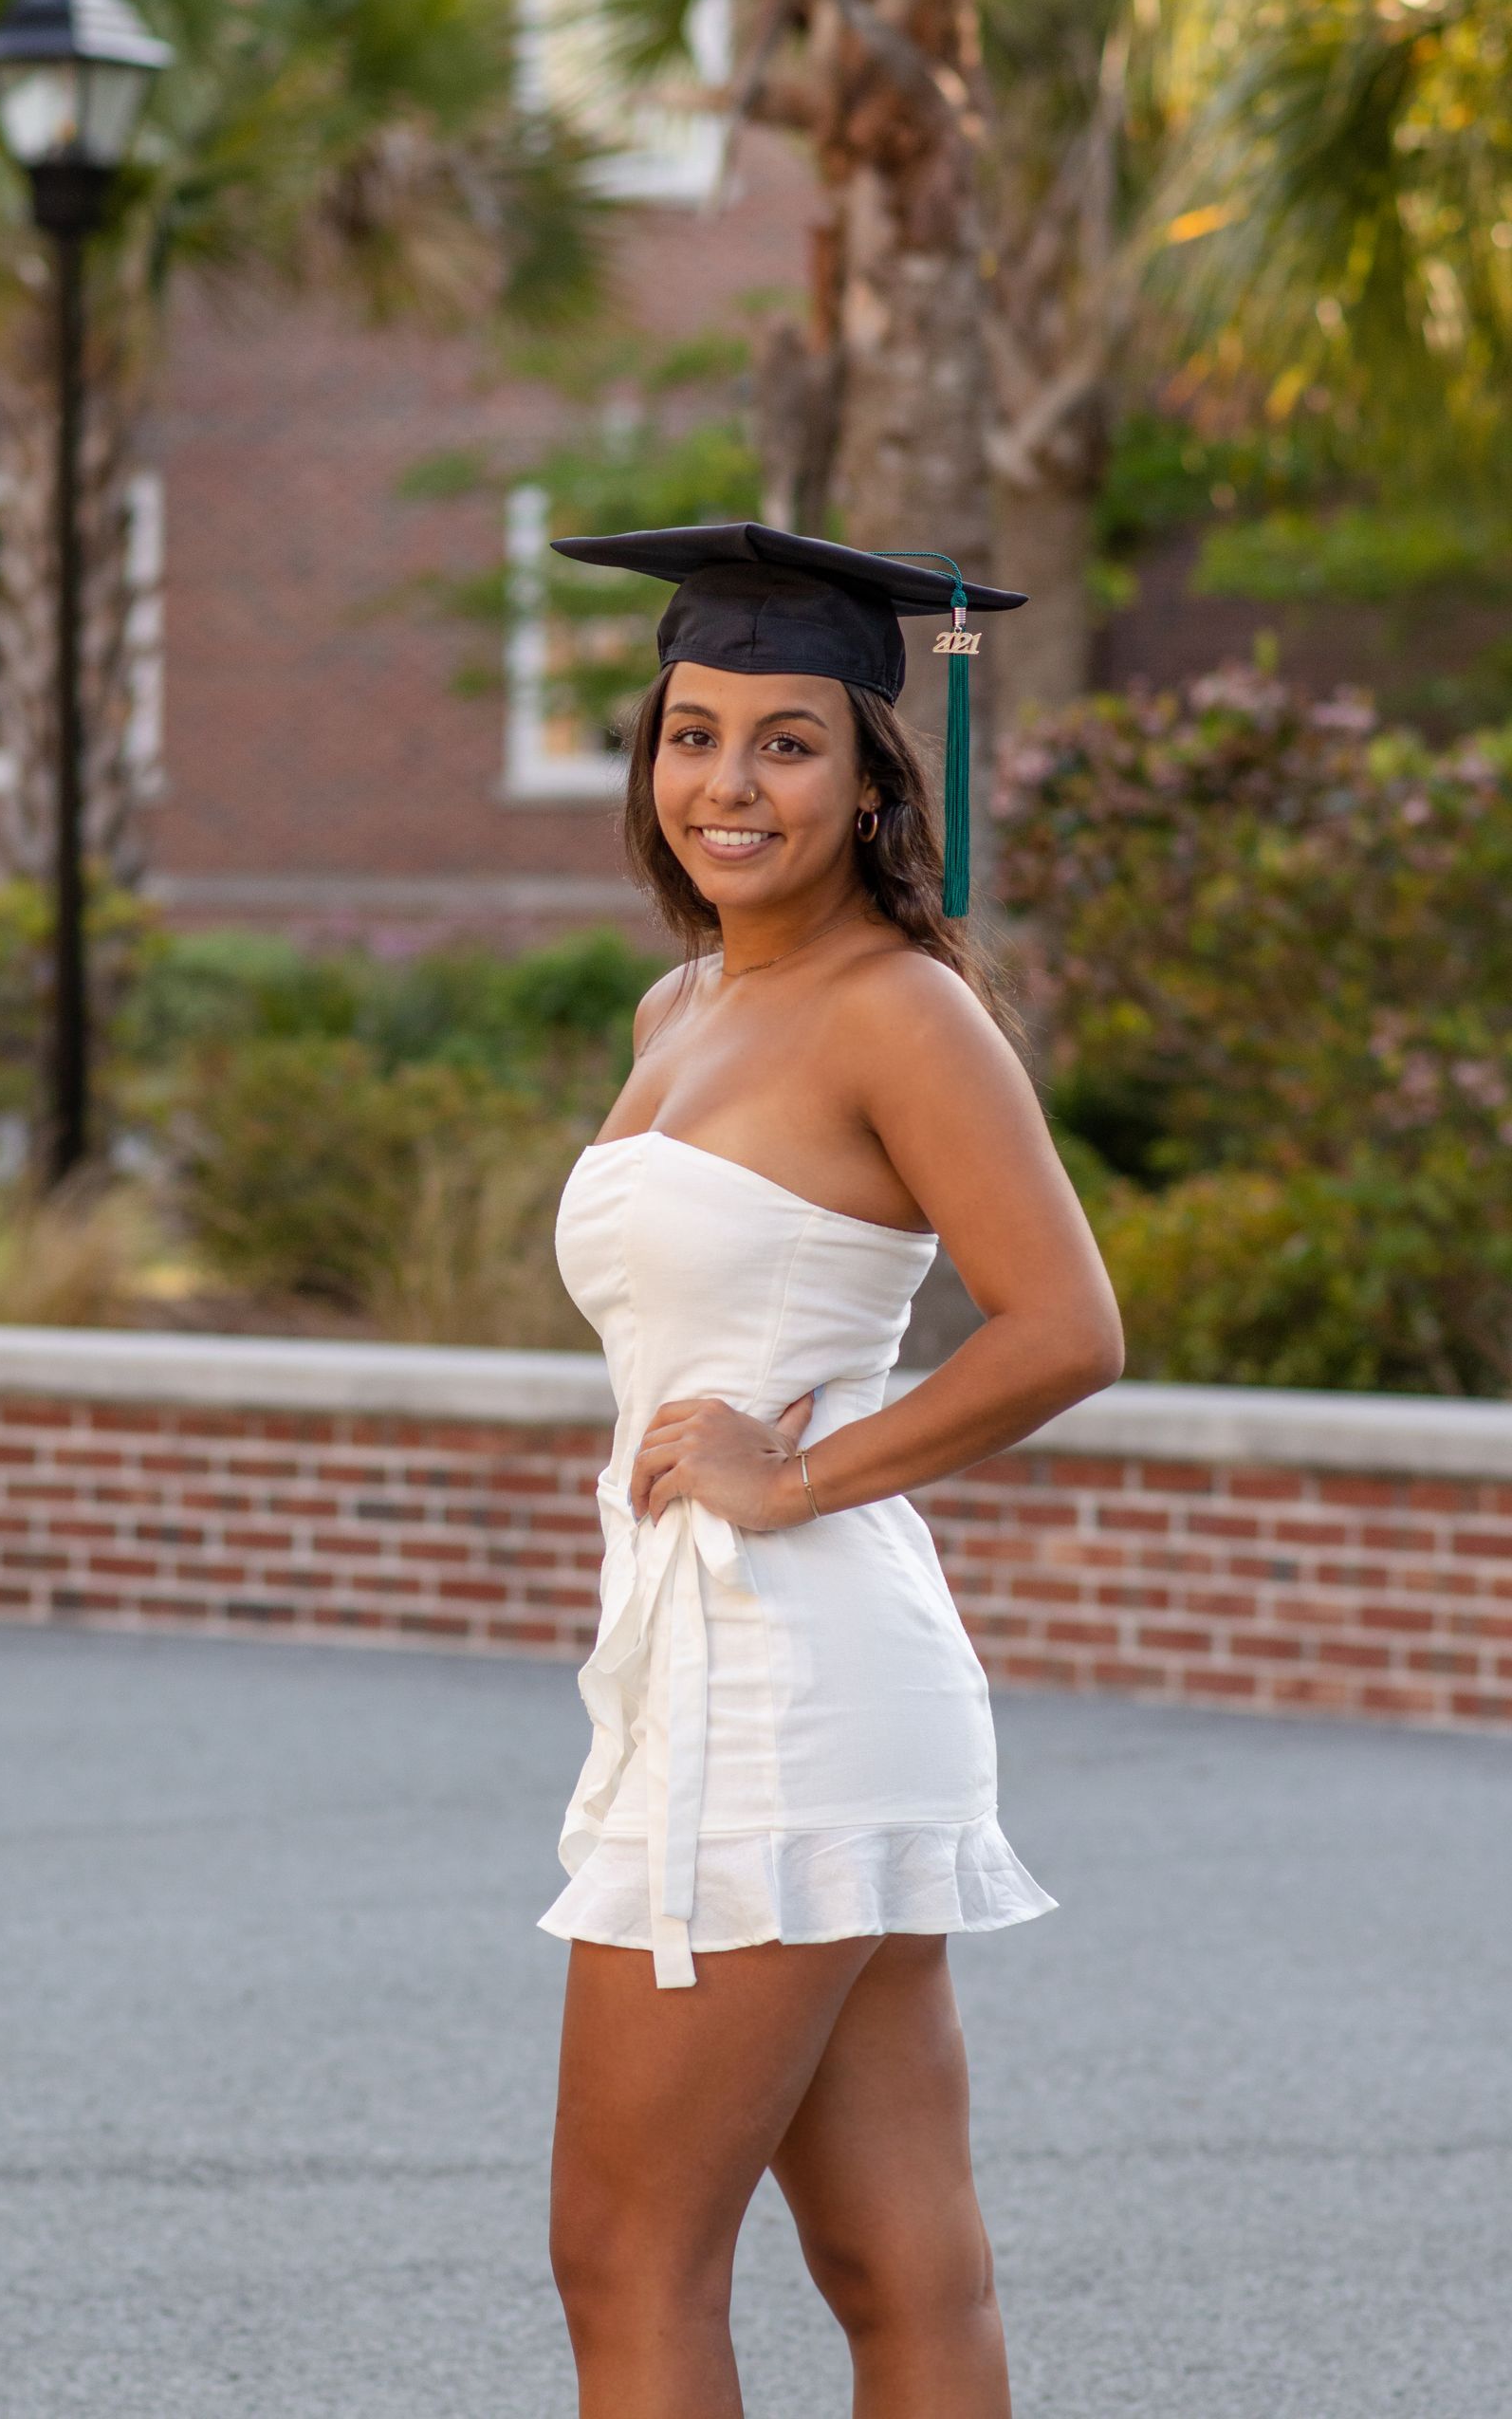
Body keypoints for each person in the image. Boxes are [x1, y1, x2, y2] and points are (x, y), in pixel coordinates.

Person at [535, 524, 1125, 2419]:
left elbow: (1064, 1325)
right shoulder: (686, 1004)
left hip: (780, 1674)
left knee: (629, 2253)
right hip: (740, 1669)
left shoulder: (901, 1007)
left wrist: (802, 1475)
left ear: (876, 773)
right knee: (898, 2265)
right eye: (692, 733)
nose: (727, 781)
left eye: (787, 741)